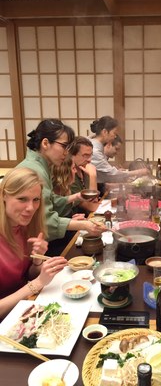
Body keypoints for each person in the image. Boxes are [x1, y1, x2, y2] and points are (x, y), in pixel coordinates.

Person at [17, 119, 104, 256]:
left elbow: (50, 201)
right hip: (23, 244)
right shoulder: (35, 171)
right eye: (64, 146)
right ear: (45, 143)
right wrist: (85, 225)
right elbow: (45, 220)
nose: (66, 153)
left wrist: (75, 197)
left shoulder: (40, 166)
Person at [0, 167, 67, 319]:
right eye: (22, 199)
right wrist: (36, 284)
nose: (31, 208)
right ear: (4, 195)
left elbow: (25, 274)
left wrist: (37, 262)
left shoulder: (24, 226)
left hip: (25, 308)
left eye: (36, 200)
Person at [90, 116, 150, 186]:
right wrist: (138, 172)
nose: (115, 136)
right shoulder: (95, 151)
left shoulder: (96, 146)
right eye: (114, 133)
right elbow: (111, 174)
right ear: (105, 132)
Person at [68, 136, 99, 215]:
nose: (89, 160)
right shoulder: (69, 175)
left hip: (85, 218)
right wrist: (93, 176)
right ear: (72, 155)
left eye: (90, 155)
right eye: (85, 155)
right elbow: (92, 207)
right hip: (72, 221)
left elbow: (94, 201)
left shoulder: (84, 170)